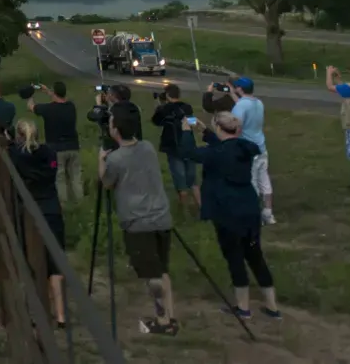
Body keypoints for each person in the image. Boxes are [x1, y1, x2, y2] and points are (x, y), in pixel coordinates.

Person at [180, 111, 281, 319]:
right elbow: (226, 146)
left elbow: (189, 152)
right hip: (249, 208)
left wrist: (186, 132)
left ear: (219, 128)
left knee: (235, 257)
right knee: (255, 255)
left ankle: (243, 308)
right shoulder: (245, 148)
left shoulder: (214, 154)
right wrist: (206, 131)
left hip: (227, 211)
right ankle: (272, 307)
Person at [99, 110, 177, 336]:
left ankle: (163, 321)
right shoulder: (148, 147)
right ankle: (169, 315)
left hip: (138, 222)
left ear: (115, 130)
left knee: (152, 277)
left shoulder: (115, 159)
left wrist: (100, 161)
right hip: (161, 217)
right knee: (161, 270)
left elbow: (106, 183)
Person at [9, 119, 67, 328]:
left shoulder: (15, 154)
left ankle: (39, 313)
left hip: (30, 212)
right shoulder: (49, 153)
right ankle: (61, 314)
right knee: (55, 263)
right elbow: (52, 170)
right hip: (52, 209)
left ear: (18, 136)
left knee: (35, 262)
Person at [228, 78, 275, 224]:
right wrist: (232, 95)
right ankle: (268, 213)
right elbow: (243, 105)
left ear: (240, 89)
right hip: (261, 147)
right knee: (264, 180)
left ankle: (254, 215)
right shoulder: (258, 103)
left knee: (251, 182)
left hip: (248, 150)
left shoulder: (241, 106)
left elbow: (236, 124)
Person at [28, 81, 83, 203]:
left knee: (59, 178)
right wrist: (49, 91)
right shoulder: (71, 107)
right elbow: (60, 98)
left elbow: (31, 107)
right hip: (73, 148)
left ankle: (62, 204)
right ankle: (79, 202)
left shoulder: (48, 109)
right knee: (76, 177)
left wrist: (31, 95)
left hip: (55, 151)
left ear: (54, 93)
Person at [150, 83, 200, 213]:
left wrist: (158, 105)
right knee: (193, 180)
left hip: (173, 147)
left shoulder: (164, 109)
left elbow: (156, 121)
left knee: (180, 180)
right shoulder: (187, 107)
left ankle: (184, 213)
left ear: (167, 95)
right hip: (189, 145)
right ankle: (201, 208)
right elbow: (193, 123)